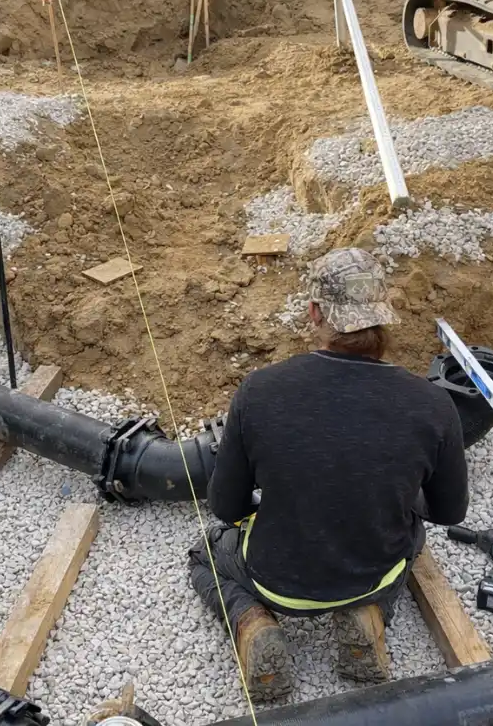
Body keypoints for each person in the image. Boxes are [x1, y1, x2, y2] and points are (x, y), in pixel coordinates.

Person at [187, 246, 469, 701]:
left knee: (205, 555)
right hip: (371, 572)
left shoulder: (260, 390)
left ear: (316, 312)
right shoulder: (433, 404)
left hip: (274, 580)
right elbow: (449, 511)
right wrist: (400, 496)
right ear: (382, 316)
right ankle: (368, 613)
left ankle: (251, 620)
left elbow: (226, 507)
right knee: (412, 537)